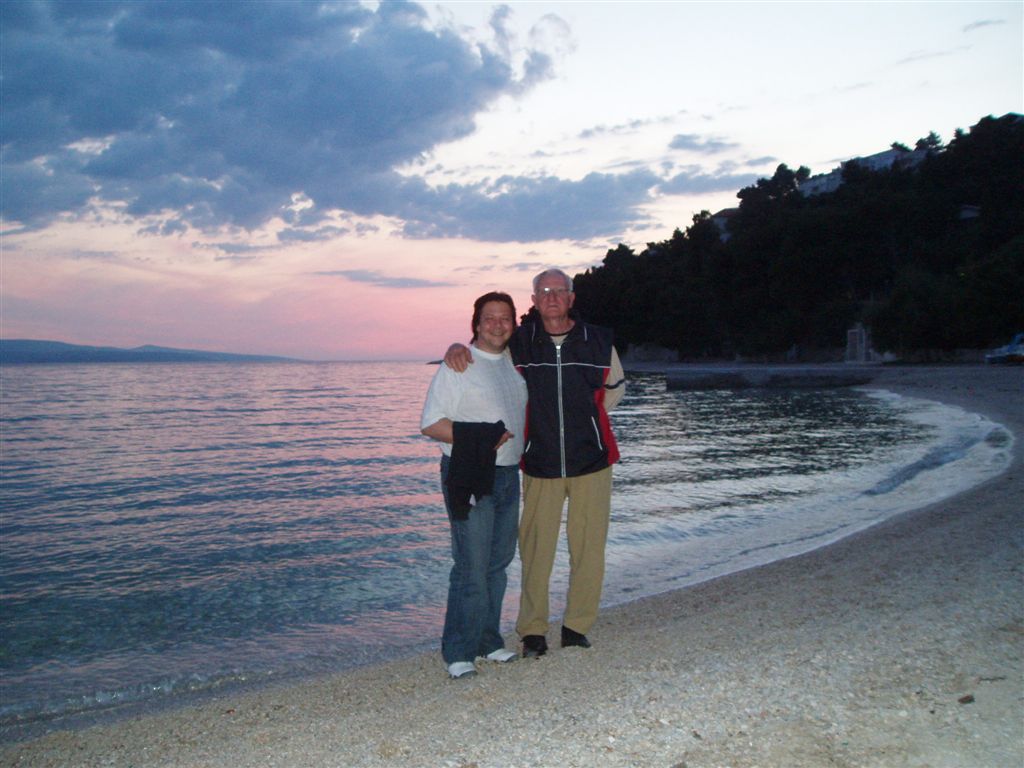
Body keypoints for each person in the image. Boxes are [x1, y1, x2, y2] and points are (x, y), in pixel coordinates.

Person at [444, 269, 624, 658]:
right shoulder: (519, 343)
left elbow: (614, 391)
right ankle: (532, 631)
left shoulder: (599, 341)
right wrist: (457, 346)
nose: (552, 297)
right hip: (540, 461)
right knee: (536, 549)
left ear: (571, 298)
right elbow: (484, 356)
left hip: (592, 460)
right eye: (544, 291)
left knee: (588, 548)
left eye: (559, 291)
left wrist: (586, 424)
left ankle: (576, 627)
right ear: (535, 300)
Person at [421, 292, 528, 679]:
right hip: (469, 474)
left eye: (505, 318)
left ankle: (487, 641)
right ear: (476, 324)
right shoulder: (458, 365)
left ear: (513, 324)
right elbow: (431, 424)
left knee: (497, 565)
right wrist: (483, 438)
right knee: (471, 566)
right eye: (489, 318)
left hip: (509, 474)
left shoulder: (514, 363)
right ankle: (458, 650)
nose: (497, 325)